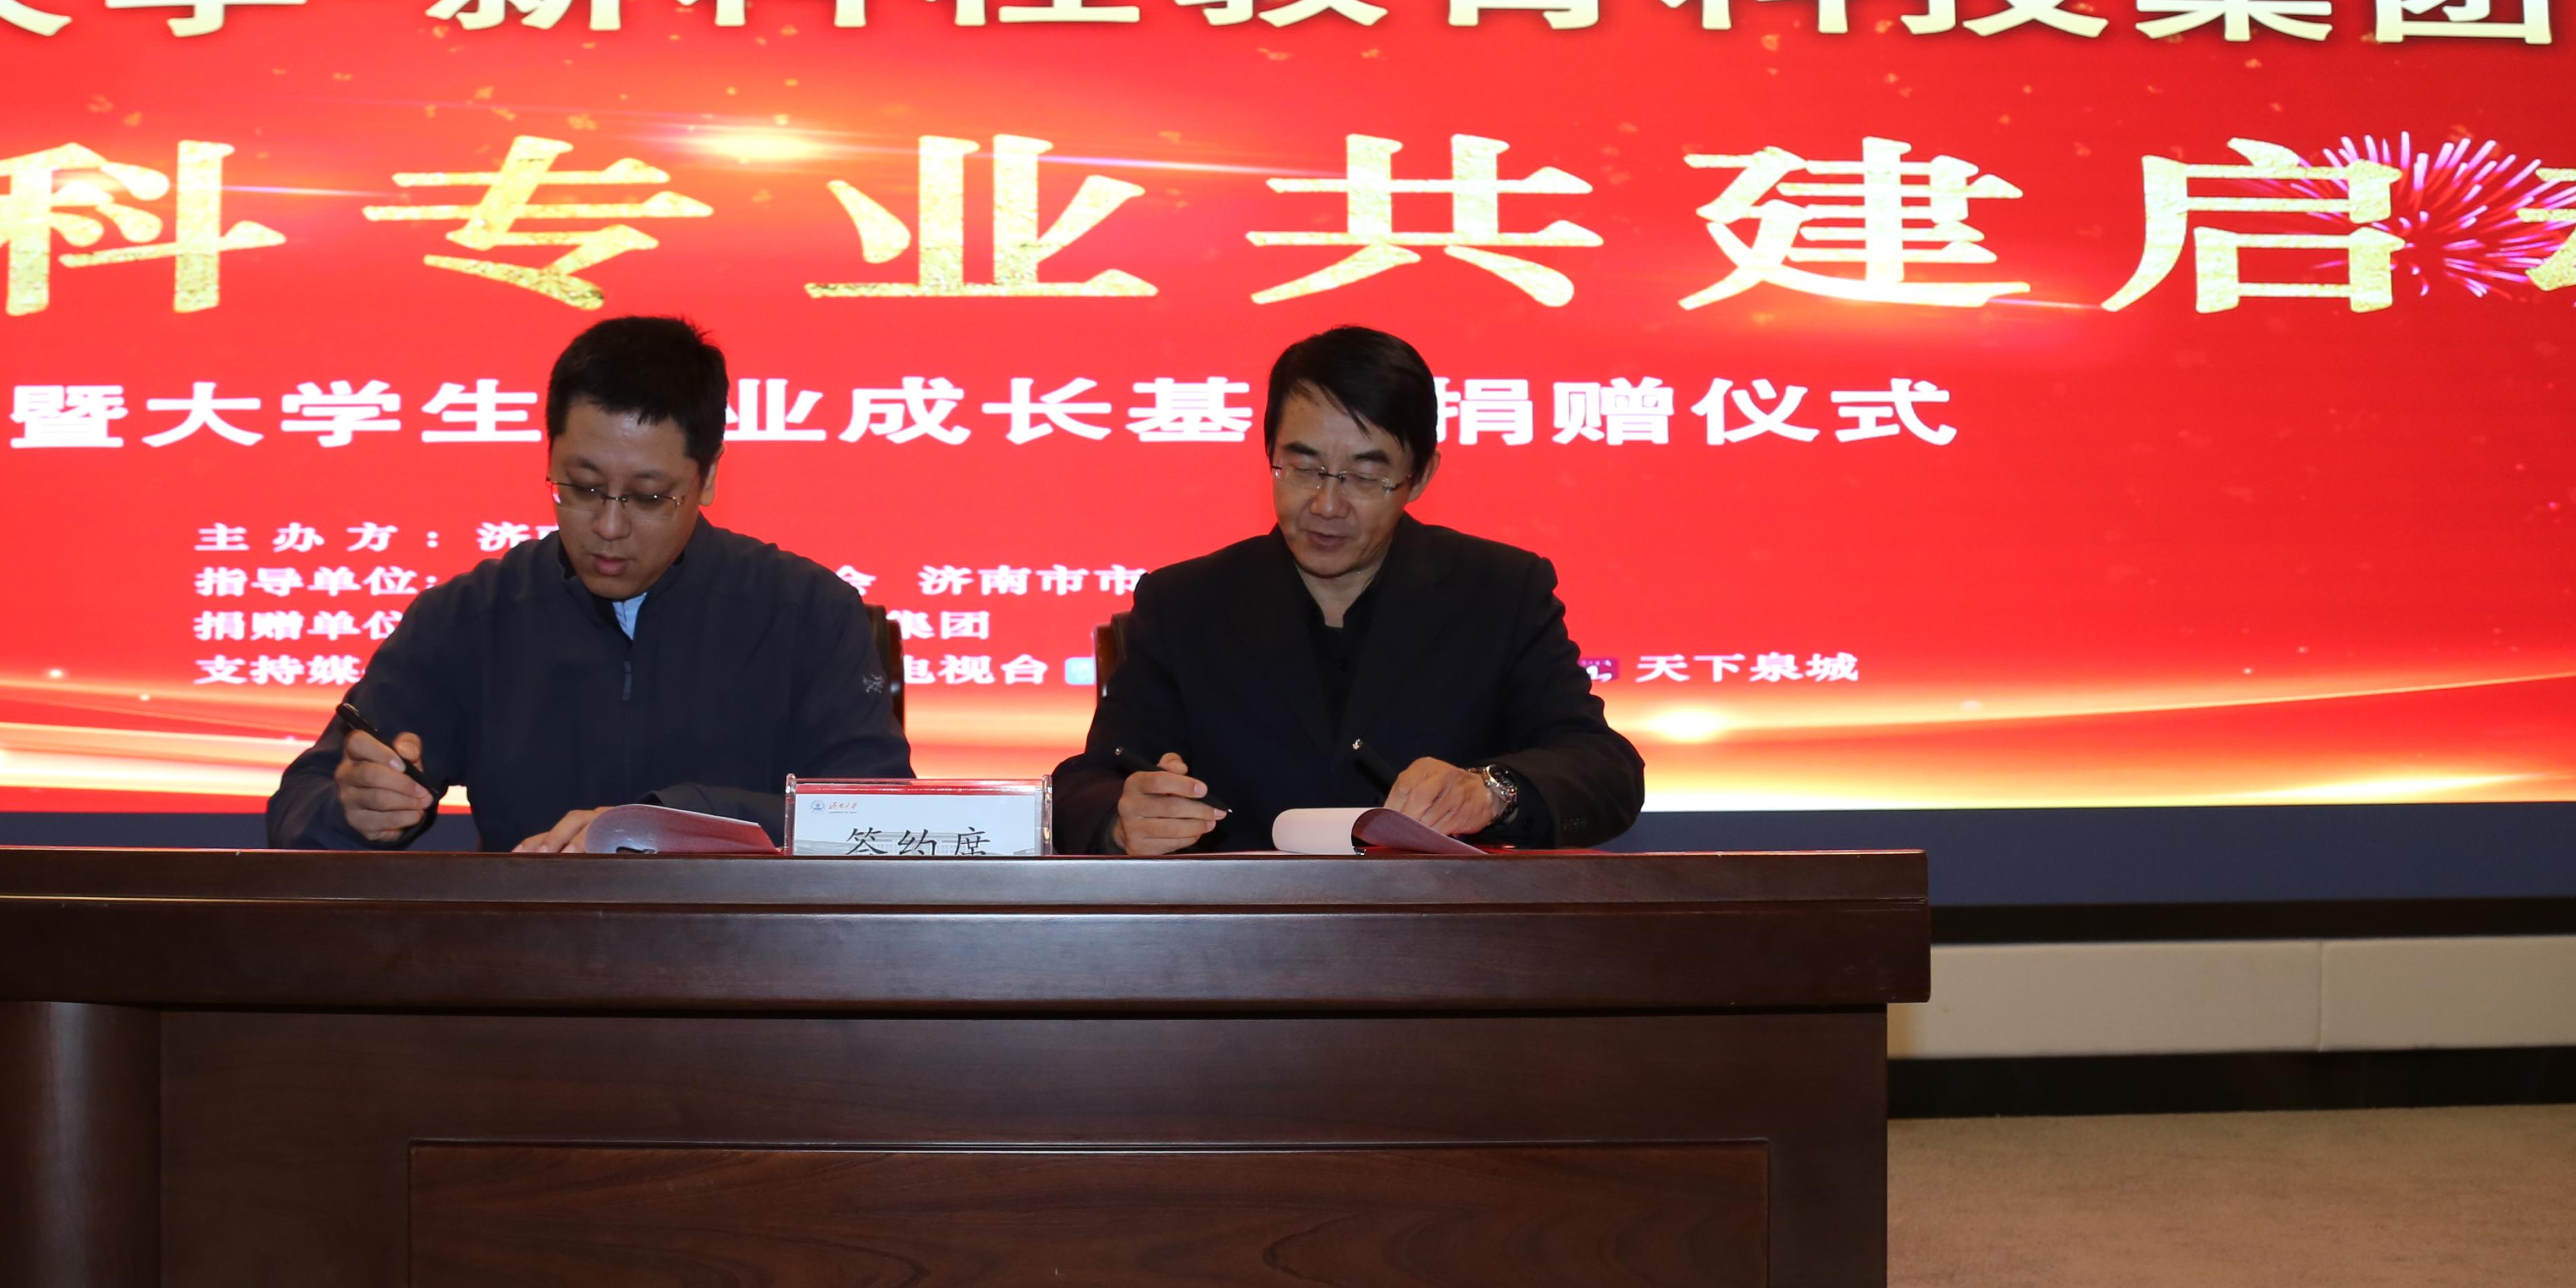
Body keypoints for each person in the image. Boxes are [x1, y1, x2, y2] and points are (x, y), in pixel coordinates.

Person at [267, 315, 907, 852]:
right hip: (528, 956)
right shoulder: (470, 617)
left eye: (649, 497)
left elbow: (882, 822)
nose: (608, 526)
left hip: (752, 957)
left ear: (709, 476)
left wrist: (667, 823)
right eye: (582, 487)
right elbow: (299, 805)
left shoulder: (807, 614)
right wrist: (354, 808)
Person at [1050, 325, 1643, 856]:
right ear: (1269, 453)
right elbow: (1086, 784)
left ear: (1420, 476)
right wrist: (1122, 820)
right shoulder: (1185, 604)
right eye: (1303, 468)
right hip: (1239, 932)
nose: (1326, 505)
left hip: (1442, 930)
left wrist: (1493, 790)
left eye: (1364, 476)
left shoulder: (1500, 591)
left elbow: (1604, 768)